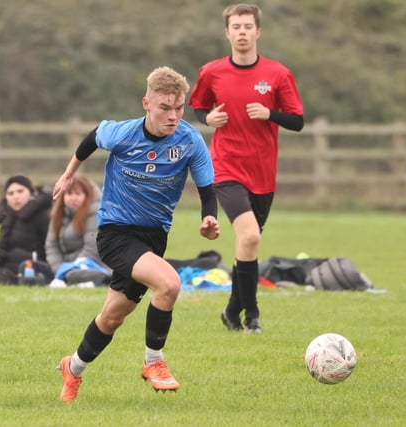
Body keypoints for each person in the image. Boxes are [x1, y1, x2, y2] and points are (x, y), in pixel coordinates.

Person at [54, 66, 219, 402]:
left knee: (112, 317)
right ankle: (153, 362)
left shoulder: (189, 142)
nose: (173, 116)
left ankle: (73, 368)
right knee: (170, 284)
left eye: (179, 108)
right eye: (164, 108)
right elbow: (91, 138)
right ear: (146, 103)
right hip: (116, 232)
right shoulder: (123, 133)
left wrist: (209, 218)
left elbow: (207, 188)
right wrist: (68, 174)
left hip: (154, 238)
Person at [189, 3, 304, 334]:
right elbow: (198, 106)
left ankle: (230, 310)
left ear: (258, 32)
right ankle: (252, 315)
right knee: (250, 235)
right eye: (235, 27)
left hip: (263, 174)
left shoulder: (278, 74)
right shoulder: (211, 72)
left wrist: (270, 114)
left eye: (247, 27)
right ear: (227, 33)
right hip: (225, 168)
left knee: (247, 246)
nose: (241, 32)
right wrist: (207, 118)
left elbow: (297, 121)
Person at [45, 174, 111, 287]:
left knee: (74, 275)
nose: (73, 198)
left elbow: (92, 248)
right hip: (66, 267)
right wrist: (60, 270)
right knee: (30, 266)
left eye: (78, 193)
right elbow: (51, 246)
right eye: (69, 193)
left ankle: (101, 278)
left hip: (92, 264)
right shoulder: (58, 214)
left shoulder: (95, 212)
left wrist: (71, 269)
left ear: (87, 195)